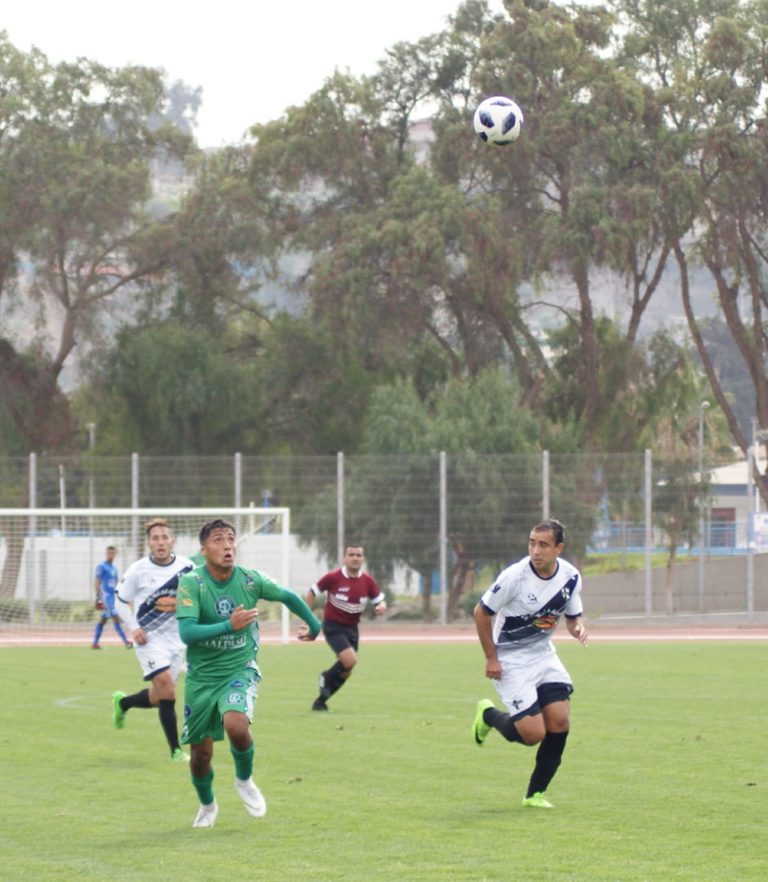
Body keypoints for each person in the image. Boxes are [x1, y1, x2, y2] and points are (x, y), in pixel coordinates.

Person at [176, 518, 322, 829]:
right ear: (203, 550)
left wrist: (315, 623)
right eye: (218, 540)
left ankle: (244, 780)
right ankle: (207, 805)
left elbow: (288, 596)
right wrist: (230, 625)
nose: (227, 545)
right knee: (200, 756)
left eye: (231, 539)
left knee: (236, 725)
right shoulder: (191, 584)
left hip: (238, 669)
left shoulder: (251, 580)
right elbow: (187, 633)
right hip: (201, 679)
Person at [471, 518, 588, 809]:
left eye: (544, 545)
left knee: (560, 721)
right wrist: (491, 657)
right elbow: (481, 613)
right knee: (533, 734)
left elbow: (573, 616)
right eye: (532, 543)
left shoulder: (571, 577)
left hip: (543, 654)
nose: (536, 550)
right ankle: (488, 716)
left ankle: (535, 794)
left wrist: (577, 629)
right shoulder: (515, 577)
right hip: (511, 659)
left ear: (559, 548)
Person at [111, 518, 194, 762]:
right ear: (148, 543)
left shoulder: (187, 568)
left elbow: (199, 596)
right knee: (168, 689)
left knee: (160, 697)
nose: (160, 542)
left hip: (177, 641)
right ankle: (176, 751)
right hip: (149, 640)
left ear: (173, 541)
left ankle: (123, 703)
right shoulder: (138, 570)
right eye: (155, 538)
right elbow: (120, 600)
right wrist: (134, 627)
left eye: (164, 537)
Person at [306, 543, 387, 712]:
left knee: (347, 670)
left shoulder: (367, 581)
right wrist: (308, 617)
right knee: (350, 660)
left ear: (363, 559)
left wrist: (381, 607)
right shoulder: (333, 577)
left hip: (352, 629)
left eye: (358, 555)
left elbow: (379, 600)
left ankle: (320, 701)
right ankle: (326, 676)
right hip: (333, 626)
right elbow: (312, 593)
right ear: (345, 558)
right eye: (351, 555)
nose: (355, 558)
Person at [91, 545, 132, 649]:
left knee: (102, 620)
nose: (110, 555)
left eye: (112, 553)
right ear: (106, 553)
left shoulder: (114, 568)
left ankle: (95, 643)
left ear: (115, 554)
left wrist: (120, 596)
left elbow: (116, 584)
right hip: (106, 598)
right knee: (116, 618)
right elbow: (96, 583)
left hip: (112, 597)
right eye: (109, 553)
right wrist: (99, 598)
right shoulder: (101, 566)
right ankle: (126, 642)